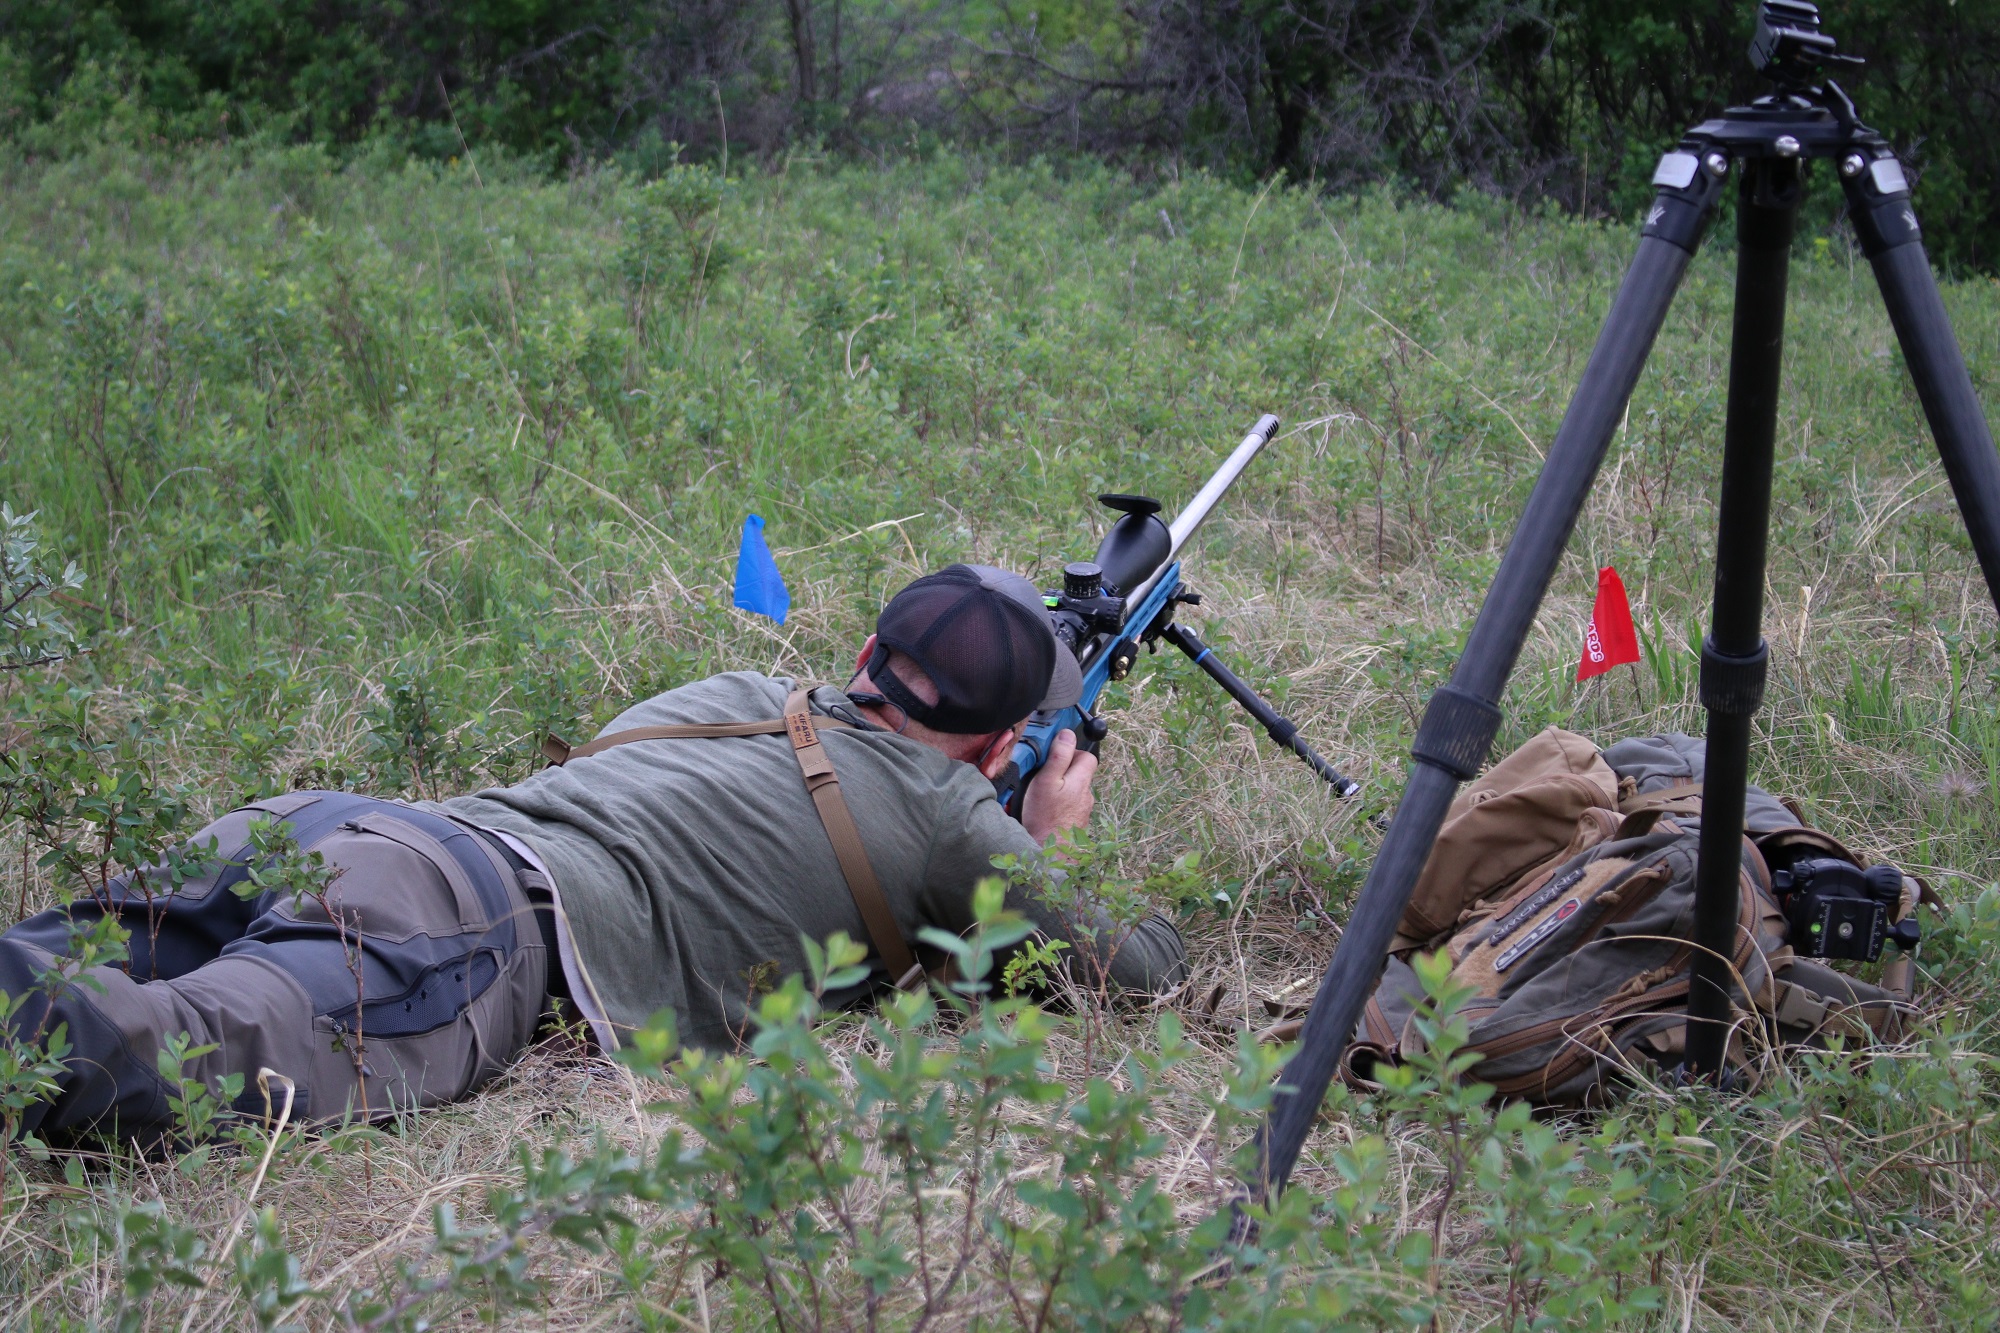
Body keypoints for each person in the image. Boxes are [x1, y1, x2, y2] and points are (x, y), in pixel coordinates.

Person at [0, 565, 1187, 1140]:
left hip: (345, 826)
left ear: (871, 648)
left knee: (44, 962)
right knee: (129, 1063)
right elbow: (1137, 969)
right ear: (996, 743)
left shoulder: (741, 689)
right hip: (463, 929)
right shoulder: (949, 817)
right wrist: (1052, 841)